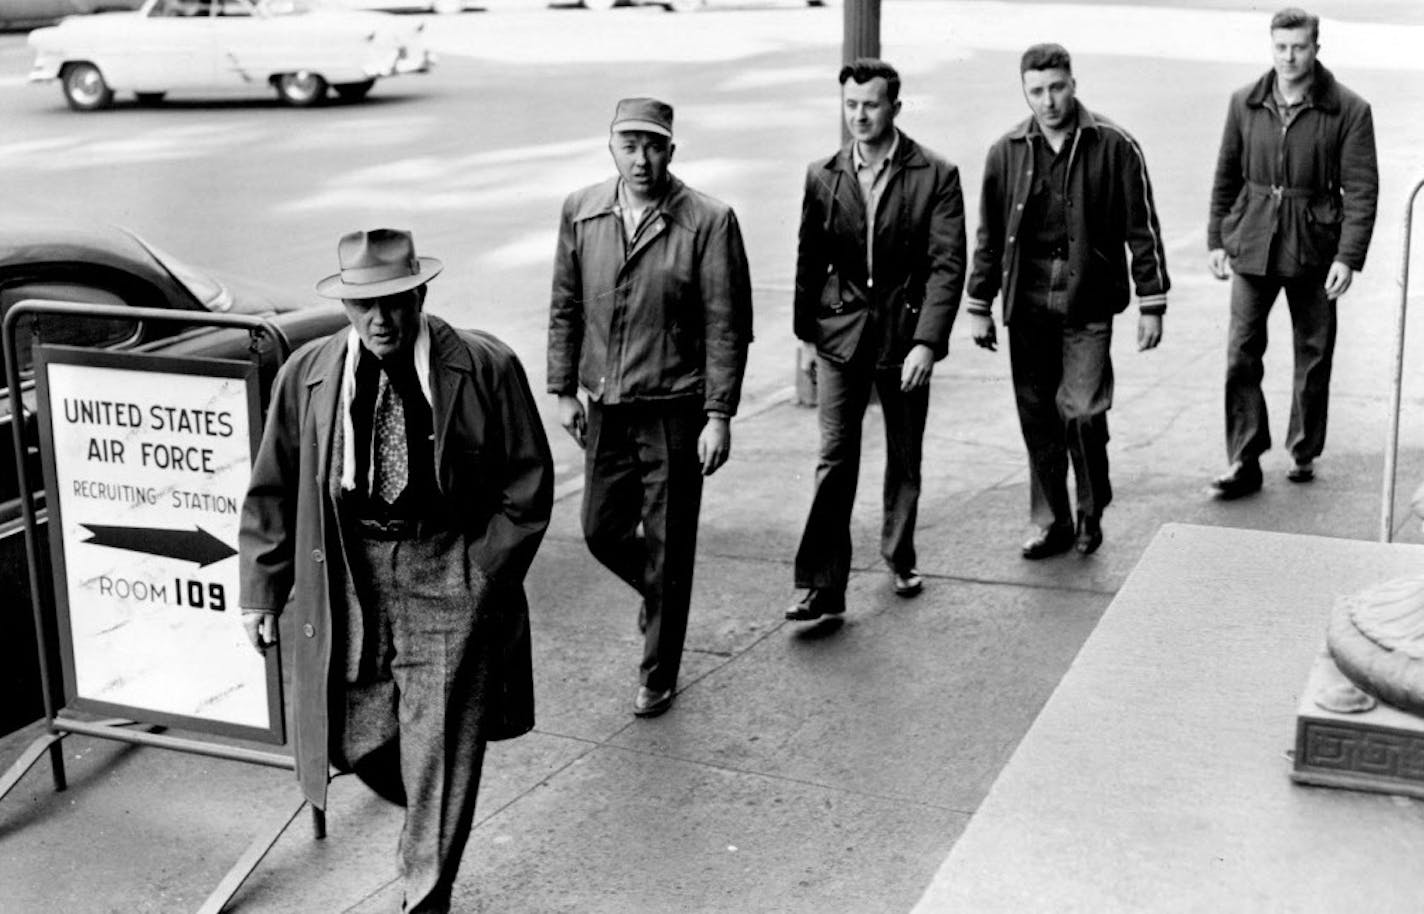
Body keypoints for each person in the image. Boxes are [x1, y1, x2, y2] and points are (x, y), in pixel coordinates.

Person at [239, 228, 554, 913]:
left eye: (392, 301)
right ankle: (434, 805)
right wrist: (262, 588)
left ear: (419, 292)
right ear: (344, 303)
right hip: (352, 570)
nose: (378, 319)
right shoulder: (311, 373)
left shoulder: (481, 365)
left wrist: (480, 573)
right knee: (362, 738)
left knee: (439, 740)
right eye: (361, 304)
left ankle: (422, 896)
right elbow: (273, 485)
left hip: (447, 563)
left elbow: (527, 484)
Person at [547, 97, 753, 718]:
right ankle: (656, 592)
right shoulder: (581, 212)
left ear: (672, 149)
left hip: (674, 407)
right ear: (611, 147)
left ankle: (658, 673)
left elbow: (726, 324)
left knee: (670, 541)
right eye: (629, 144)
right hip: (607, 401)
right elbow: (565, 306)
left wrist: (719, 415)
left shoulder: (709, 221)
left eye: (654, 145)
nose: (641, 158)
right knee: (600, 530)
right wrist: (563, 388)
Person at [967, 43, 1169, 558]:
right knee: (1038, 417)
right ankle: (1051, 520)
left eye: (1056, 87)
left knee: (1081, 412)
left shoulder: (1114, 144)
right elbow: (989, 235)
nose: (1048, 100)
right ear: (1025, 92)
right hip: (1027, 301)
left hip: (1088, 300)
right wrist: (978, 305)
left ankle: (1091, 507)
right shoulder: (1006, 150)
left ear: (1073, 82)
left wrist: (1152, 302)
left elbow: (1141, 229)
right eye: (1036, 91)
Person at [785, 58, 966, 622]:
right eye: (851, 105)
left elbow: (946, 265)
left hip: (904, 335)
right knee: (834, 457)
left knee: (903, 455)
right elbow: (809, 261)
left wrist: (926, 343)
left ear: (895, 108)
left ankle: (899, 554)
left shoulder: (935, 173)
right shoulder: (824, 174)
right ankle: (822, 585)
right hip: (842, 336)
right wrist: (807, 336)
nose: (860, 116)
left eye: (871, 105)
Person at [1207, 7, 1378, 498]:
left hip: (1315, 247)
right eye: (1280, 47)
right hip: (1253, 241)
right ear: (1271, 47)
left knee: (1314, 353)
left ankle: (1303, 448)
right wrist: (1218, 239)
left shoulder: (1349, 109)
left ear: (1316, 48)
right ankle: (1244, 458)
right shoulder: (1245, 102)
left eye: (1298, 47)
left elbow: (1362, 189)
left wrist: (1348, 257)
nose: (1289, 57)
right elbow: (1226, 175)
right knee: (1240, 353)